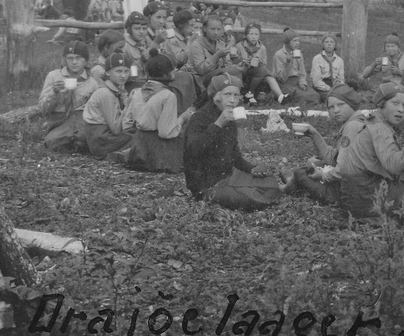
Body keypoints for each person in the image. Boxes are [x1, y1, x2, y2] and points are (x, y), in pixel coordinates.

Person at [335, 82, 404, 223]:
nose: (401, 110)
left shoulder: (371, 119)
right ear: (381, 103)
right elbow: (394, 166)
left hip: (353, 195)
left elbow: (401, 171)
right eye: (395, 103)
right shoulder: (379, 127)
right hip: (367, 196)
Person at [184, 73, 291, 210]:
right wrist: (218, 124)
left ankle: (271, 188)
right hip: (206, 185)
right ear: (215, 96)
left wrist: (252, 168)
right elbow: (193, 150)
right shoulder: (200, 118)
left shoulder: (230, 117)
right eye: (227, 94)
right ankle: (266, 191)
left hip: (228, 177)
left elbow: (235, 157)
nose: (232, 100)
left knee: (269, 180)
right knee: (251, 198)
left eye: (236, 95)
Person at [285, 84, 368, 205]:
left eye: (341, 104)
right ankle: (293, 182)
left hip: (346, 194)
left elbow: (342, 169)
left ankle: (289, 186)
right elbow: (335, 158)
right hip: (356, 186)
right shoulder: (358, 121)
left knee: (300, 172)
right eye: (331, 107)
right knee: (314, 164)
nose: (336, 110)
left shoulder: (352, 126)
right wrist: (314, 134)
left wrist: (323, 175)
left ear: (352, 103)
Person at [115, 50, 195, 173]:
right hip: (159, 150)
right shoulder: (168, 95)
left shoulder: (136, 92)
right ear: (166, 74)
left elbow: (127, 126)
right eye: (173, 70)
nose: (175, 73)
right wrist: (182, 118)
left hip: (139, 148)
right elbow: (165, 133)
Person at [38, 40, 97, 150]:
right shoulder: (54, 76)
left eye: (78, 58)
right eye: (70, 58)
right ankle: (72, 141)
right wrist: (54, 91)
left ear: (86, 60)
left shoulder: (92, 83)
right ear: (64, 60)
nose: (74, 62)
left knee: (87, 137)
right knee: (51, 141)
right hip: (58, 120)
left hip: (80, 120)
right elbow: (43, 110)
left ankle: (77, 141)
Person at [83, 52, 133, 158]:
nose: (123, 75)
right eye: (118, 71)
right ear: (107, 72)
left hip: (104, 136)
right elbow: (115, 129)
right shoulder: (105, 93)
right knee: (139, 136)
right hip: (101, 139)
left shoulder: (118, 89)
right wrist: (129, 105)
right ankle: (118, 155)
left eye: (126, 71)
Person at [236, 23, 291, 106]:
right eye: (251, 34)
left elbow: (264, 64)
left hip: (257, 74)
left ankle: (280, 96)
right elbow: (234, 61)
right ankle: (249, 93)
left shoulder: (262, 48)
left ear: (259, 35)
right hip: (243, 73)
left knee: (267, 74)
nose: (254, 37)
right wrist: (243, 61)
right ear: (246, 35)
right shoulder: (239, 46)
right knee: (264, 71)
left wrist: (258, 62)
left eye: (256, 34)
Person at [188, 14, 243, 88]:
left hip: (217, 75)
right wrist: (217, 56)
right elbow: (201, 70)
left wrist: (236, 65)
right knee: (228, 75)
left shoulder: (221, 43)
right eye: (212, 29)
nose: (216, 32)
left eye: (219, 29)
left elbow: (227, 63)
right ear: (204, 28)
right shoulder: (197, 44)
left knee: (237, 71)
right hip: (200, 80)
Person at [272, 28, 321, 106]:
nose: (297, 43)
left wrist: (303, 83)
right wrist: (288, 63)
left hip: (296, 82)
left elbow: (302, 72)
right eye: (294, 41)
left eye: (298, 41)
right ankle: (289, 99)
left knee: (316, 95)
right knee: (302, 96)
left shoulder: (299, 54)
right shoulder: (279, 55)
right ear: (287, 43)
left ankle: (300, 100)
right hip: (284, 83)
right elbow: (281, 78)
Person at [310, 33, 345, 102]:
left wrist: (338, 86)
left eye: (332, 42)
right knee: (332, 97)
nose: (329, 44)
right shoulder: (317, 58)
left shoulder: (339, 60)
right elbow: (316, 81)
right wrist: (329, 89)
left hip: (334, 85)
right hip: (321, 86)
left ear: (335, 45)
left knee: (344, 94)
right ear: (323, 44)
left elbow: (341, 79)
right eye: (326, 42)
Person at [122, 11, 152, 91]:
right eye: (137, 28)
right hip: (132, 88)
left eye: (144, 28)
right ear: (129, 29)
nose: (141, 32)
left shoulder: (146, 43)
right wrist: (141, 61)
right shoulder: (125, 47)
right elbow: (124, 76)